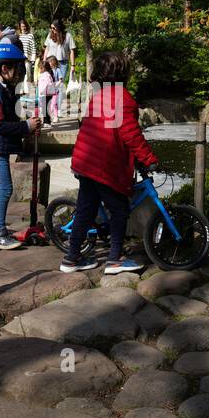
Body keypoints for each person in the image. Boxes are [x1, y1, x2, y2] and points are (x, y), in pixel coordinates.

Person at [59, 51, 158, 275]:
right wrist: (149, 159)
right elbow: (131, 134)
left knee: (85, 210)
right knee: (120, 210)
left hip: (85, 161)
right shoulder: (123, 98)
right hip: (104, 166)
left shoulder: (99, 96)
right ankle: (115, 259)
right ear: (124, 73)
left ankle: (71, 258)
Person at [0, 41, 42, 249]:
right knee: (5, 189)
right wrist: (26, 127)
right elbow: (0, 125)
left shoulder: (3, 89)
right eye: (18, 68)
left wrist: (26, 123)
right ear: (5, 69)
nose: (20, 73)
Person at [38, 55, 60, 123]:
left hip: (46, 94)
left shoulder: (47, 75)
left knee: (46, 108)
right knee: (44, 108)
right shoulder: (43, 75)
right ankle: (46, 121)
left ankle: (47, 122)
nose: (39, 70)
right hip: (43, 94)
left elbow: (49, 84)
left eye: (41, 68)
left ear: (44, 68)